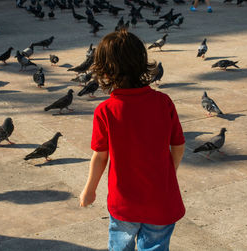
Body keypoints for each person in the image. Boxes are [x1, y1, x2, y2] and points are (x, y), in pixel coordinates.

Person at [79, 29, 186, 250]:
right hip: (161, 201)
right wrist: (170, 171)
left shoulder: (106, 110)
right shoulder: (163, 102)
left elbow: (100, 157)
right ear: (142, 63)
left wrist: (89, 190)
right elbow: (178, 145)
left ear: (105, 71)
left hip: (124, 204)